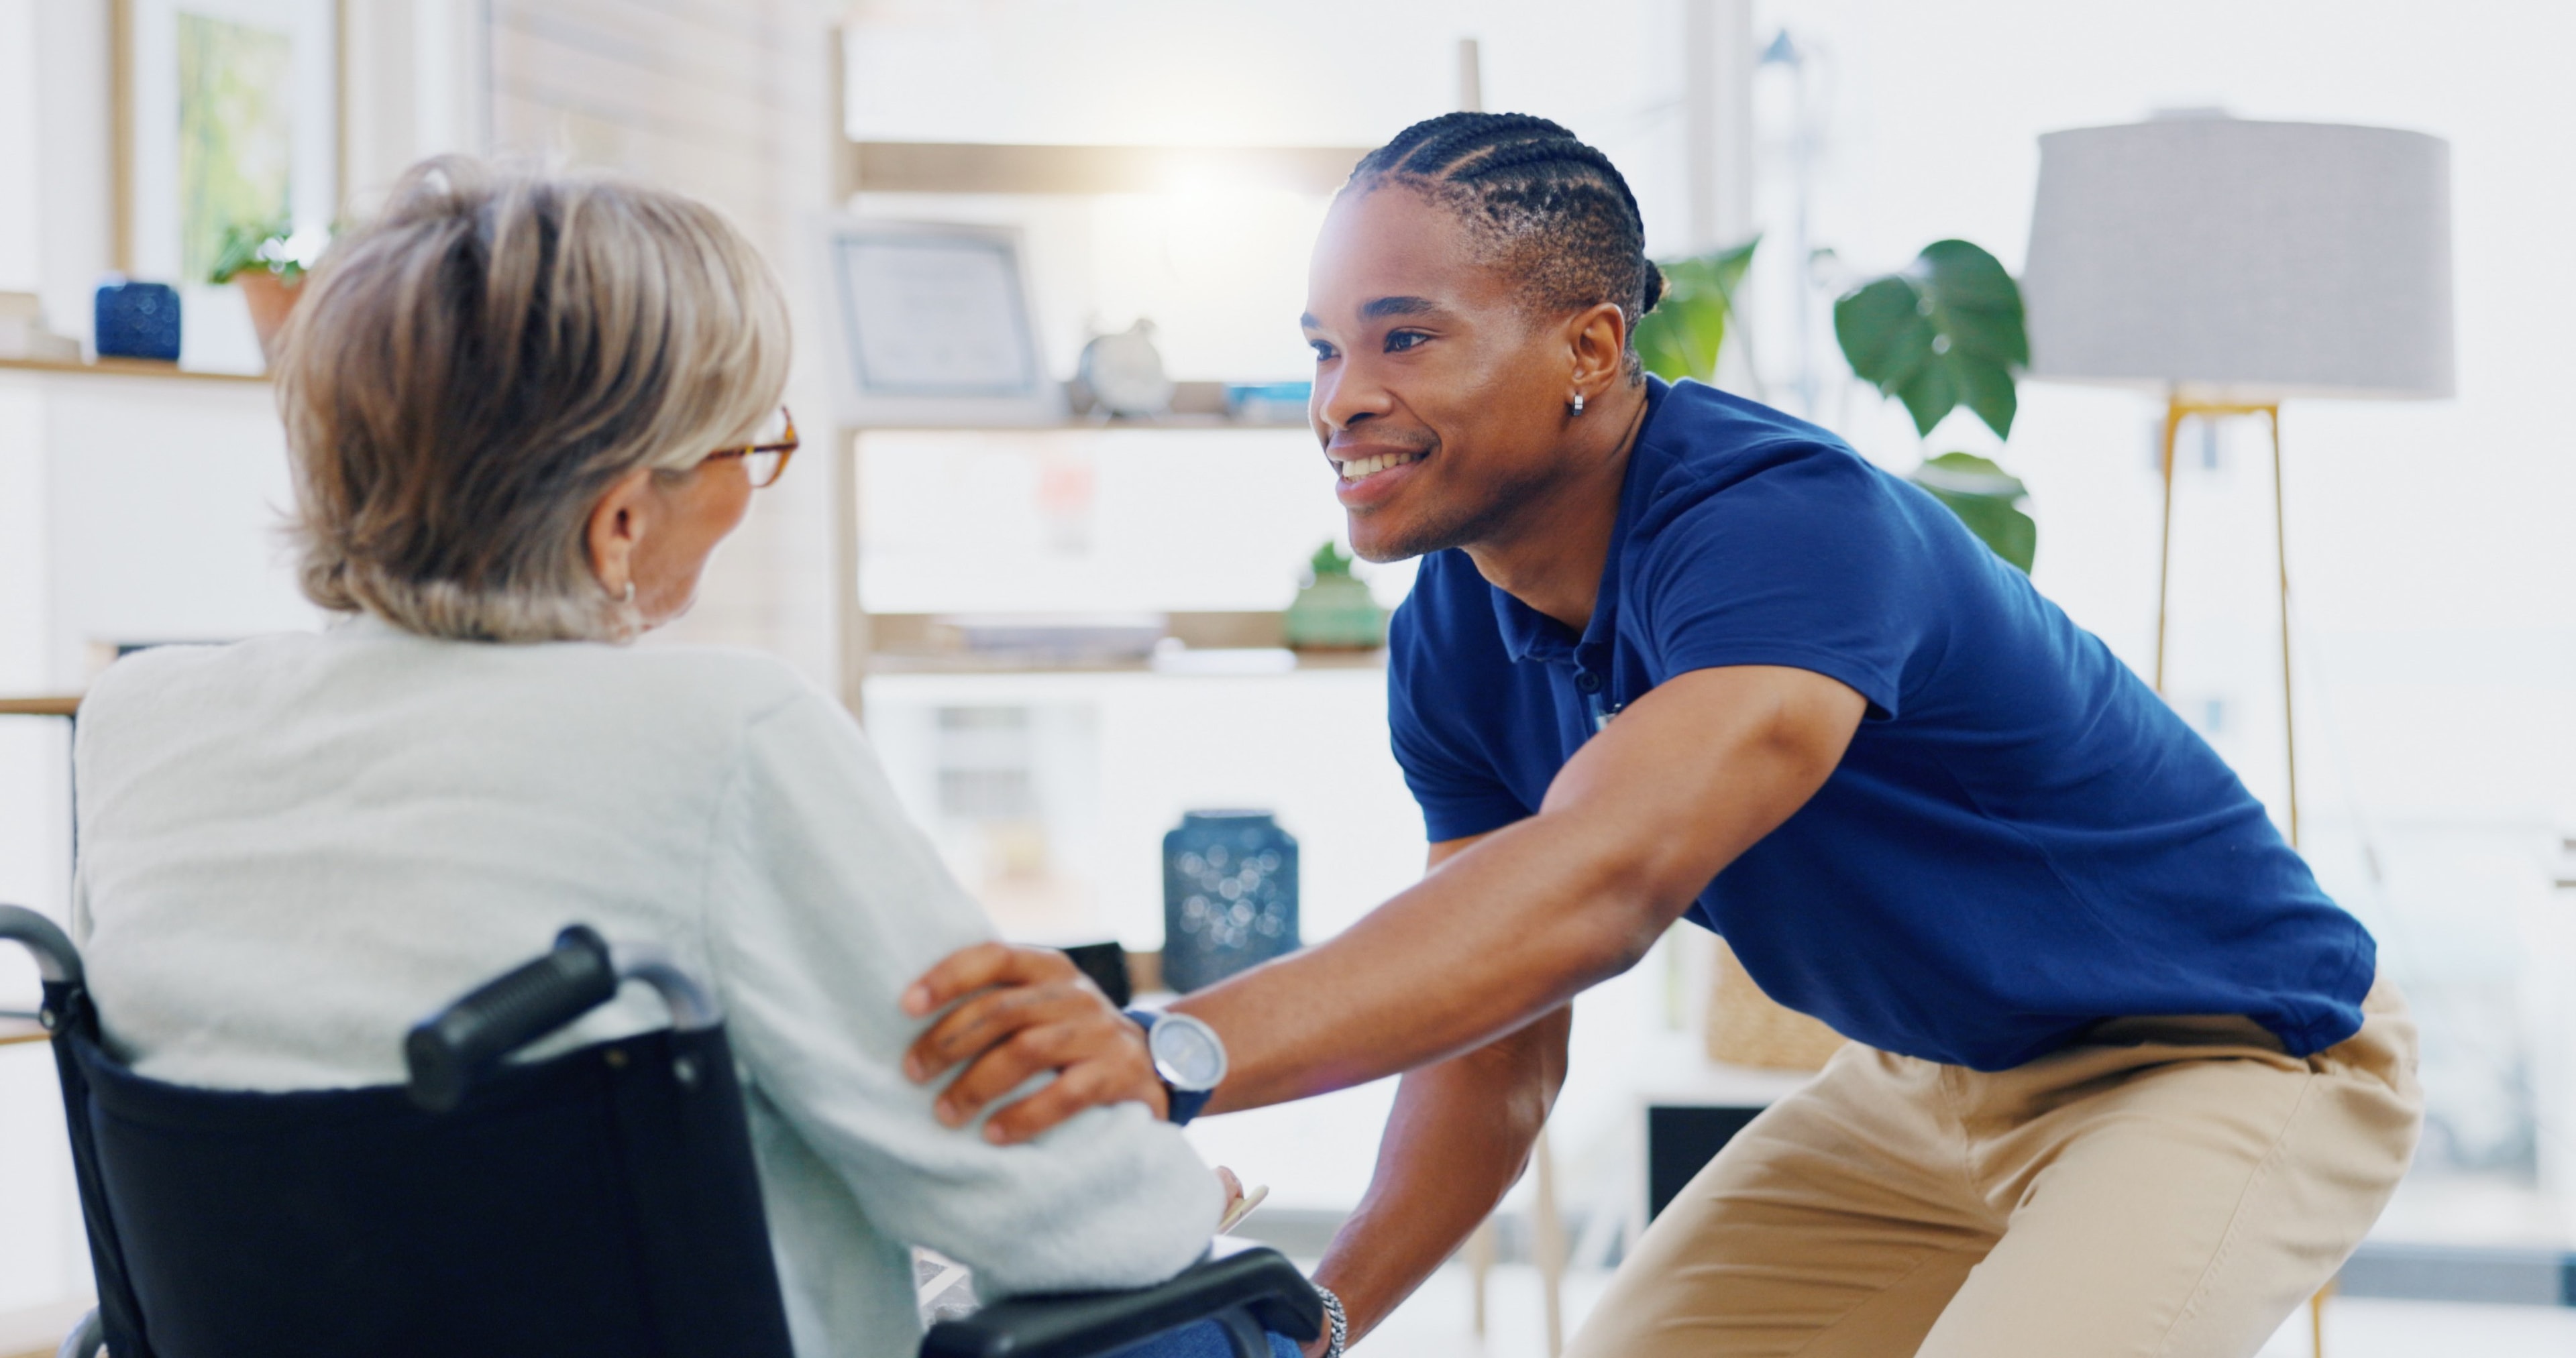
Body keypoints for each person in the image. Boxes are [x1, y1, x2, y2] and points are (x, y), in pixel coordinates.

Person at [898, 113, 2424, 1358]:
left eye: (1407, 340)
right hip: (1925, 1086)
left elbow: (1605, 877)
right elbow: (1496, 1041)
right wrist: (1325, 1320)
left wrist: (1170, 1052)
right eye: (1322, 349)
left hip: (2224, 1057)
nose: (1343, 400)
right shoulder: (1454, 621)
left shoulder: (1779, 526)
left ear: (1588, 348)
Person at [68, 158, 1285, 1358]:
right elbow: (1074, 1218)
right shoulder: (725, 736)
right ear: (620, 519)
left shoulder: (140, 726)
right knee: (1233, 1320)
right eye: (747, 448)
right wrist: (1180, 1193)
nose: (755, 484)